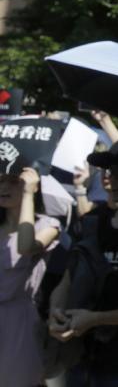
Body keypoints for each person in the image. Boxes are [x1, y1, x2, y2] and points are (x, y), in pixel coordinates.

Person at [48, 137, 118, 387]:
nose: (111, 178)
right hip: (80, 361)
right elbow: (67, 279)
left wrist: (96, 319)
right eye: (109, 171)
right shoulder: (91, 222)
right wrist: (56, 313)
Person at [0, 165, 61, 387]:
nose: (4, 187)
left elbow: (25, 246)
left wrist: (27, 195)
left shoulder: (47, 225)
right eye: (1, 180)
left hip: (18, 322)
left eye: (14, 181)